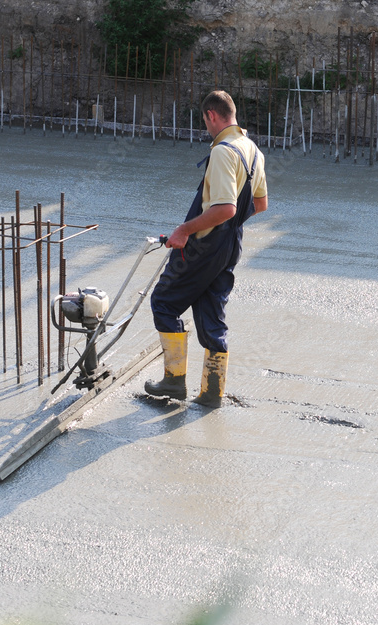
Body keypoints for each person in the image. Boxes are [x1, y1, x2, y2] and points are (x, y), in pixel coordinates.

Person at [145, 90, 268, 407]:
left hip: (203, 245)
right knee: (212, 314)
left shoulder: (223, 152)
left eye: (205, 121)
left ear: (212, 115)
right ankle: (213, 392)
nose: (206, 127)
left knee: (164, 302)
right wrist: (228, 228)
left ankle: (174, 382)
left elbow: (225, 208)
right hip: (229, 246)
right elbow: (261, 204)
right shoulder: (253, 151)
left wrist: (185, 230)